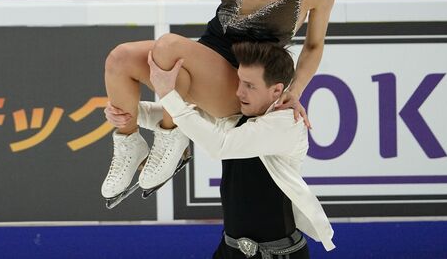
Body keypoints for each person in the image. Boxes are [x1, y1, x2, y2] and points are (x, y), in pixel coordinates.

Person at [100, 0, 438, 203]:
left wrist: (295, 91)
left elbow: (314, 46)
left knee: (168, 46)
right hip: (205, 59)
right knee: (119, 59)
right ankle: (128, 144)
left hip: (241, 80)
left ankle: (171, 139)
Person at [107, 42, 335, 257]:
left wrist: (169, 94)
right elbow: (182, 116)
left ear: (276, 91)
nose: (239, 92)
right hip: (231, 248)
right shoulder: (241, 114)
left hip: (275, 254)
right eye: (239, 82)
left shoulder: (287, 123)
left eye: (250, 86)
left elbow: (220, 146)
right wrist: (124, 112)